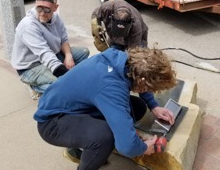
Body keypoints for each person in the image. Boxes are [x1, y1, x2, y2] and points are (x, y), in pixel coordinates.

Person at [34, 46, 178, 169]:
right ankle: (79, 151)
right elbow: (127, 148)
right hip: (52, 123)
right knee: (104, 137)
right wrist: (144, 148)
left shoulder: (123, 60)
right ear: (141, 80)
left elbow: (142, 79)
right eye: (150, 88)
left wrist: (153, 106)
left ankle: (82, 140)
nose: (150, 91)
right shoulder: (111, 88)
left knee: (138, 107)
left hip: (71, 108)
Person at [10, 0, 90, 98]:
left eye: (47, 9)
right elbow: (45, 54)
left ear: (55, 8)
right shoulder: (28, 25)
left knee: (84, 52)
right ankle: (35, 87)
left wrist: (68, 56)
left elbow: (64, 40)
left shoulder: (56, 19)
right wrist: (67, 77)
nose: (42, 13)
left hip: (53, 55)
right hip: (31, 67)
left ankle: (68, 78)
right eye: (39, 8)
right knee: (63, 87)